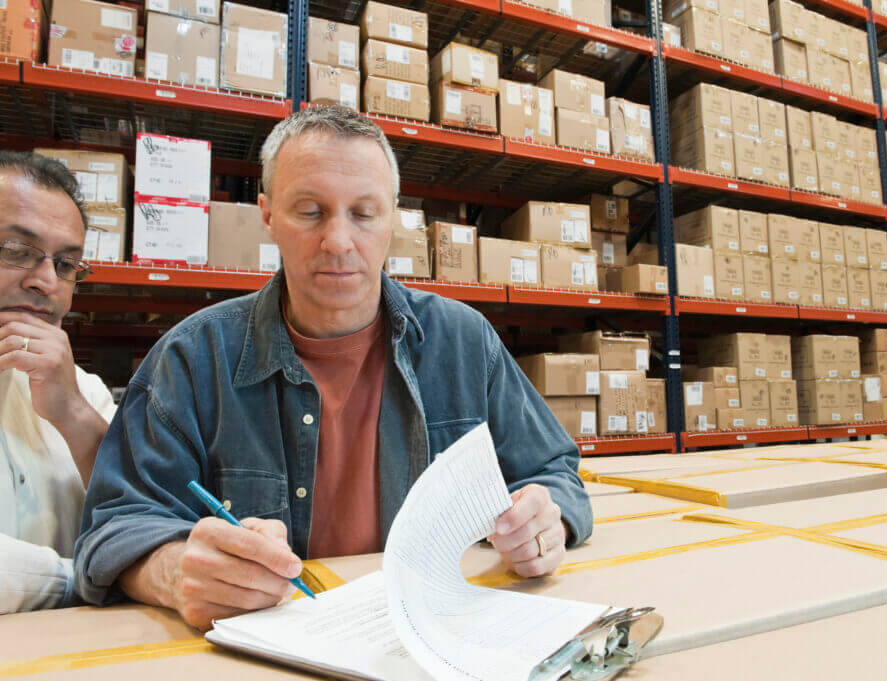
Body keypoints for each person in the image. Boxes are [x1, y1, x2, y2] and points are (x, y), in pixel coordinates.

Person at [75, 106, 593, 629]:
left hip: (437, 633)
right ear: (268, 215)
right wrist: (173, 571)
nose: (340, 242)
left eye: (364, 213)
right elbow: (113, 526)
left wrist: (546, 520)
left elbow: (554, 472)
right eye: (310, 211)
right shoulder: (192, 358)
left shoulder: (463, 342)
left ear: (393, 217)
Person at [0, 151, 116, 613]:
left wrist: (72, 415)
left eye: (67, 264)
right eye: (15, 251)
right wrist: (86, 579)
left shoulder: (84, 392)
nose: (46, 280)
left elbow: (150, 521)